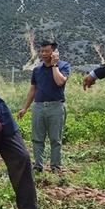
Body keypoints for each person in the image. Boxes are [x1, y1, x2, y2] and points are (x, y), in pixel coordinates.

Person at [18, 41, 70, 173]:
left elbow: (60, 82)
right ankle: (38, 166)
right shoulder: (37, 70)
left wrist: (54, 65)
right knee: (37, 138)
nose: (44, 54)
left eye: (47, 51)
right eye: (42, 51)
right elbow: (32, 90)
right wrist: (25, 108)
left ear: (54, 52)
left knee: (55, 139)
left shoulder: (63, 66)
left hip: (56, 106)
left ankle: (55, 167)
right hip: (38, 107)